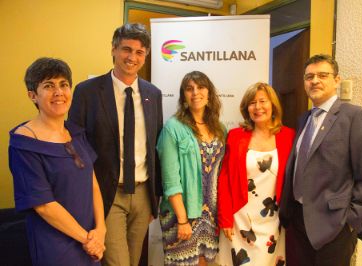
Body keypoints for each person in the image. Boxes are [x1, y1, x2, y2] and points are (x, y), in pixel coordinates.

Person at [68, 23, 163, 266]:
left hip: (143, 194)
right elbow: (75, 145)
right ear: (113, 50)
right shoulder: (87, 91)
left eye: (139, 52)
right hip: (107, 194)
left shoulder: (154, 94)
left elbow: (155, 148)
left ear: (146, 55)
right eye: (126, 49)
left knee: (133, 261)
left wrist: (156, 198)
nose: (132, 57)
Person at [279, 54, 362, 266]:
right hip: (297, 223)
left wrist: (352, 221)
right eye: (309, 77)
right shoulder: (303, 119)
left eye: (322, 75)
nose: (314, 81)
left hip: (334, 226)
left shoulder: (355, 117)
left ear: (336, 80)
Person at [9, 57, 106, 266]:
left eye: (64, 85)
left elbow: (93, 184)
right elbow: (44, 205)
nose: (58, 92)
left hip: (90, 239)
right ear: (32, 95)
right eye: (48, 86)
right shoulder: (24, 143)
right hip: (56, 245)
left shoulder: (76, 133)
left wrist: (101, 230)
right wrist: (88, 240)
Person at [217, 82, 295, 266]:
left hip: (274, 221)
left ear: (273, 105)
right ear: (246, 108)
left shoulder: (289, 136)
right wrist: (225, 218)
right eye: (252, 103)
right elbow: (224, 179)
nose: (258, 107)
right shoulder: (236, 136)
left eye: (263, 101)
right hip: (240, 219)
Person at [156, 71, 225, 266]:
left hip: (211, 216)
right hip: (183, 215)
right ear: (183, 96)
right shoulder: (173, 128)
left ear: (209, 93)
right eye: (189, 88)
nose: (195, 92)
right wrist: (182, 220)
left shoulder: (220, 129)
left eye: (201, 87)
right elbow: (170, 180)